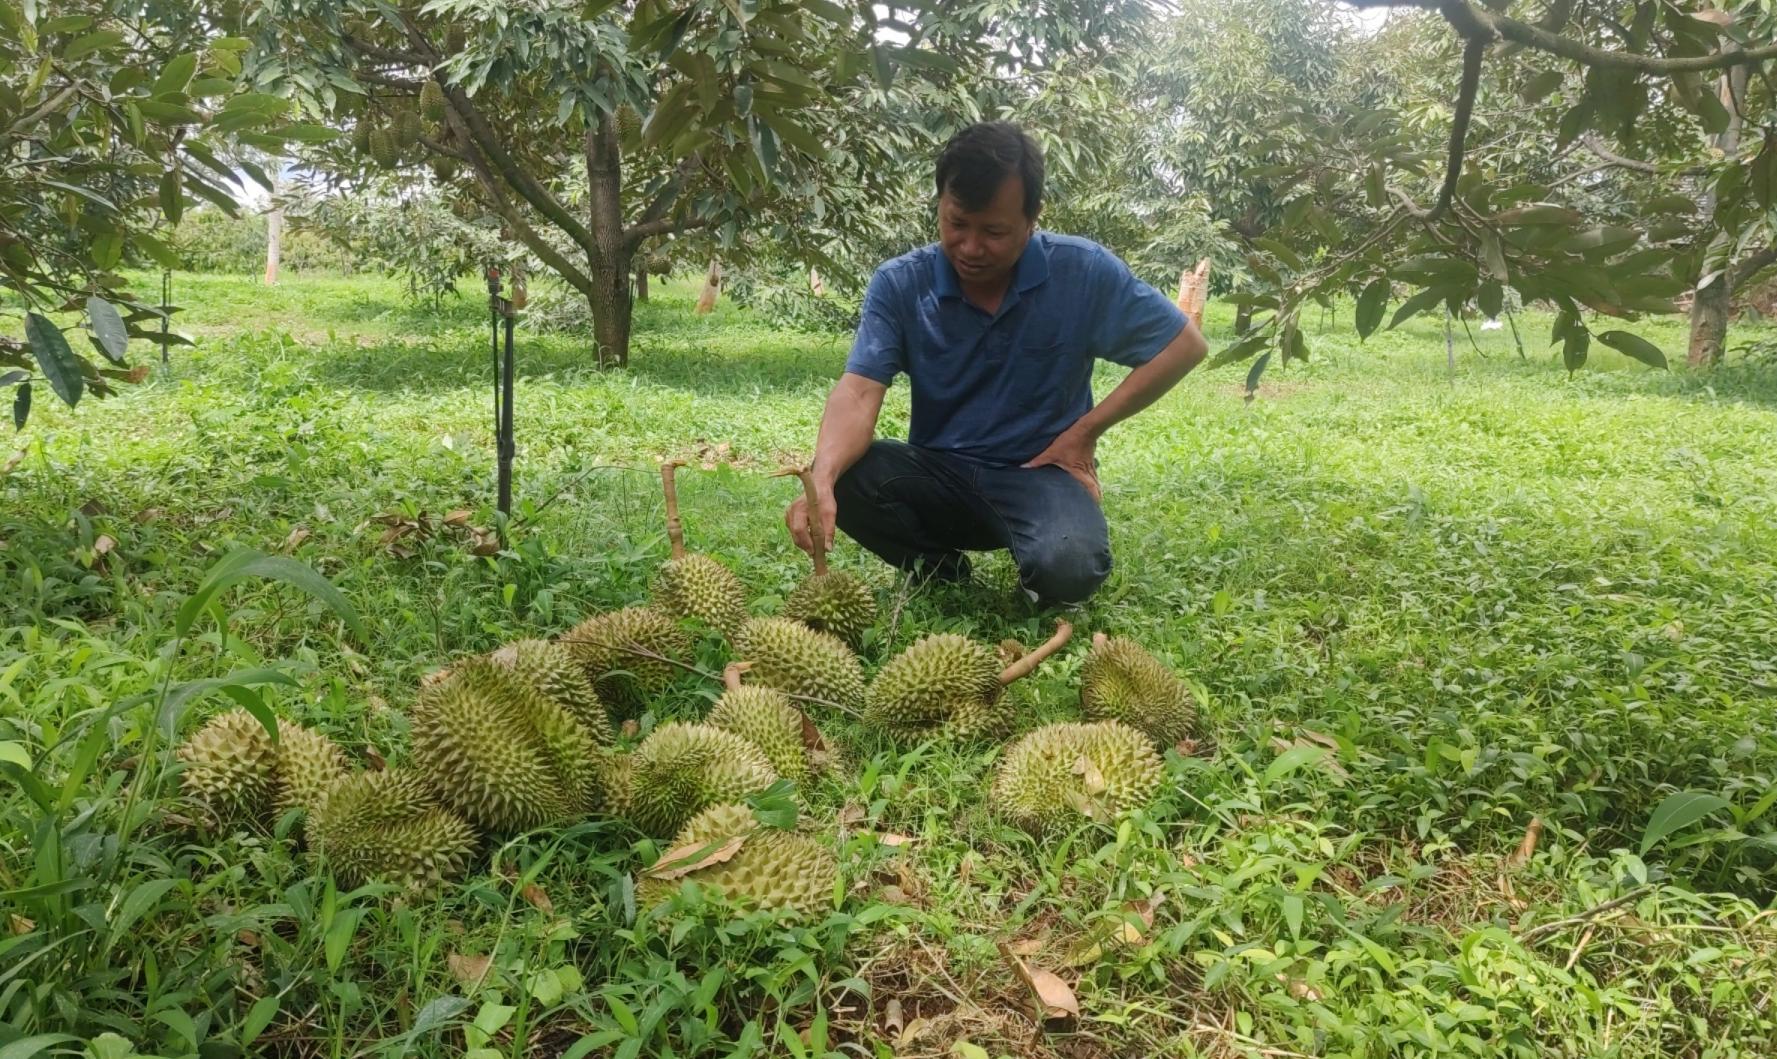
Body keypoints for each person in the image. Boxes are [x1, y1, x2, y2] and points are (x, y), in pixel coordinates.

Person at [783, 121, 1208, 606]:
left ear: (1033, 219)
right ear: (940, 203)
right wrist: (822, 478)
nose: (969, 247)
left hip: (1039, 473)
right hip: (937, 474)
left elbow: (1184, 346)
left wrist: (1084, 433)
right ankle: (941, 572)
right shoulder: (901, 283)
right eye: (956, 223)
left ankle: (1041, 574)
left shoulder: (1081, 271)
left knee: (1069, 566)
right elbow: (859, 390)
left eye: (994, 231)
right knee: (848, 474)